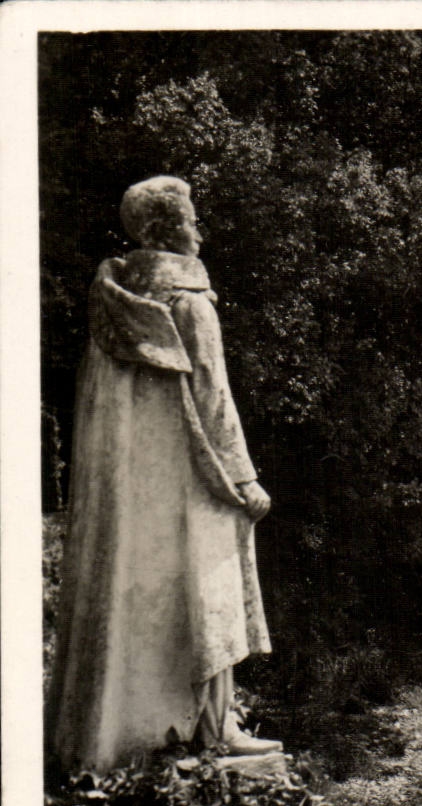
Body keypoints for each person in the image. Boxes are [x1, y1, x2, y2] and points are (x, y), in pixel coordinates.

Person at [48, 176, 280, 771]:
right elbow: (214, 397)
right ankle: (214, 731)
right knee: (212, 597)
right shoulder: (189, 303)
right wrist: (245, 481)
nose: (199, 229)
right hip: (193, 485)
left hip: (133, 501)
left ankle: (116, 741)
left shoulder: (113, 301)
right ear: (170, 228)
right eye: (192, 218)